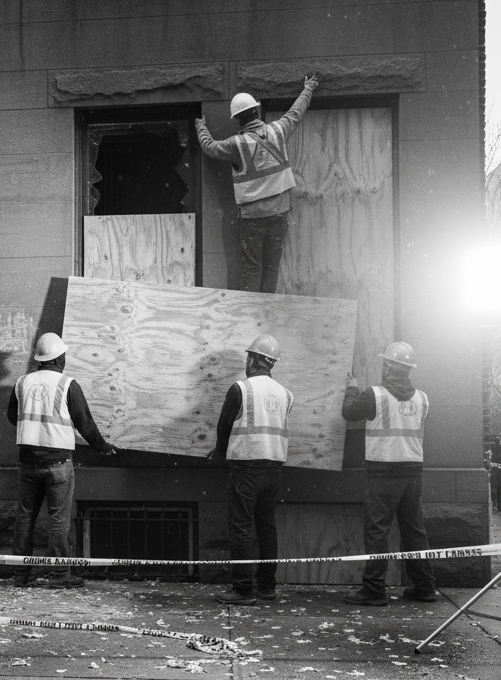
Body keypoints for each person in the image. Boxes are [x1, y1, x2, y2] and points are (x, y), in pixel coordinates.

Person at [7, 332, 117, 589]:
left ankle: (20, 575)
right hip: (57, 464)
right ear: (59, 359)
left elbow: (12, 417)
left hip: (27, 462)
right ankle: (60, 575)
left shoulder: (22, 383)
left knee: (25, 518)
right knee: (58, 521)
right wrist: (102, 447)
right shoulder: (68, 384)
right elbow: (85, 423)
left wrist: (34, 426)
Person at [195, 76, 319, 294]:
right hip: (279, 213)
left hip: (252, 219)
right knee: (271, 268)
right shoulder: (278, 130)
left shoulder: (236, 144)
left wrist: (200, 126)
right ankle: (266, 311)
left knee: (252, 269)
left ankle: (250, 313)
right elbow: (296, 112)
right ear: (257, 111)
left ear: (237, 119)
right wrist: (308, 88)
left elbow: (210, 147)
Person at [341, 341, 438, 606]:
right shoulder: (422, 398)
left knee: (377, 532)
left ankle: (374, 590)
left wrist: (351, 388)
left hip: (383, 473)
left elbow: (349, 412)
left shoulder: (374, 395)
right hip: (413, 473)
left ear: (387, 367)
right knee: (414, 530)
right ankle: (425, 587)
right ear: (408, 369)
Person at [208, 334, 293, 606]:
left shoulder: (240, 389)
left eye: (249, 357)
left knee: (241, 528)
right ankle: (267, 587)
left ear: (254, 360)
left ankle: (243, 590)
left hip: (246, 468)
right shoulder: (285, 394)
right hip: (274, 468)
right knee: (266, 528)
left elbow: (224, 428)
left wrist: (220, 451)